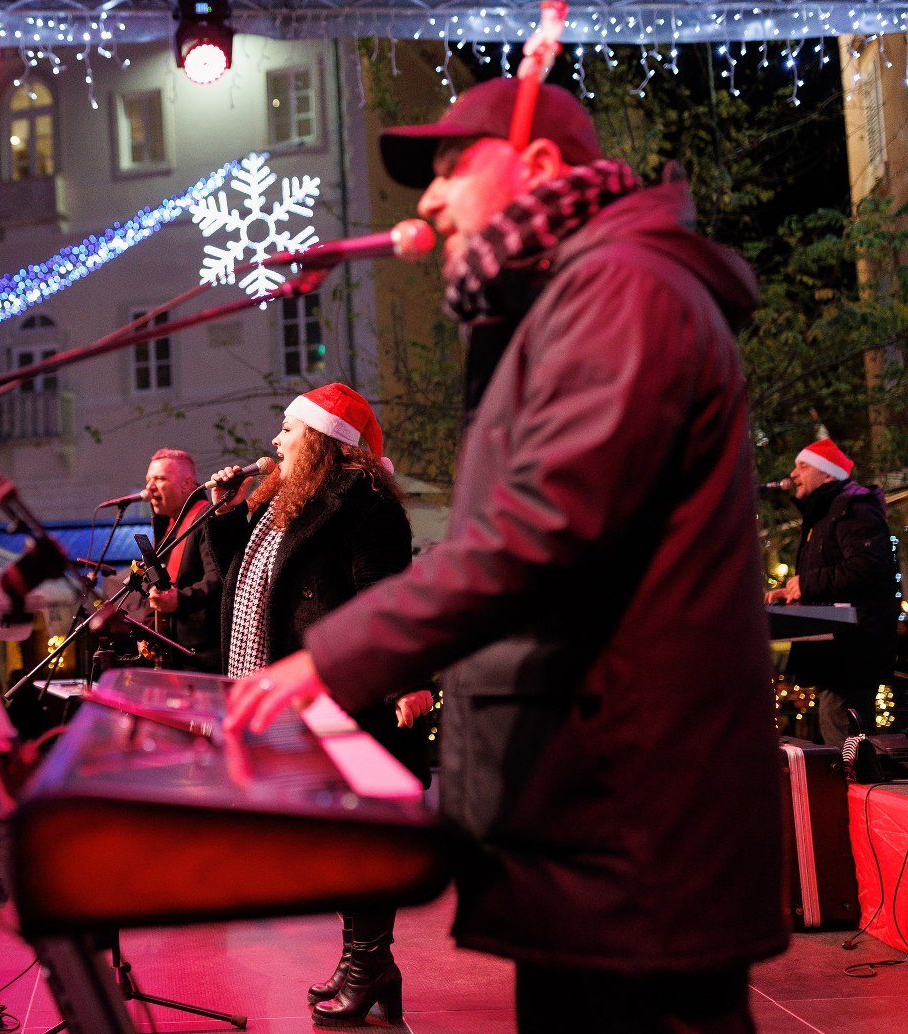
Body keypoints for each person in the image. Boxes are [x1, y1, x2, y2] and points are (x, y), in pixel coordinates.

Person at [226, 78, 788, 1031]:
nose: (430, 198)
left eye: (452, 167)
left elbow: (537, 534)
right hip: (593, 812)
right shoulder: (573, 297)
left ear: (538, 165)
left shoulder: (624, 290)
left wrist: (324, 661)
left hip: (635, 818)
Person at [207, 383, 434, 1027]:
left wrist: (405, 681)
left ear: (320, 439)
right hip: (299, 698)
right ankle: (364, 962)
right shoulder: (287, 505)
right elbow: (241, 586)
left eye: (288, 428)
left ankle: (368, 966)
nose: (275, 440)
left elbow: (384, 601)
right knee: (334, 839)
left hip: (344, 697)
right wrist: (225, 515)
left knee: (356, 836)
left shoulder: (364, 506)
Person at [766, 437, 898, 747]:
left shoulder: (853, 507)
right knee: (839, 736)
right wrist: (796, 591)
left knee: (844, 742)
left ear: (827, 474)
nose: (793, 474)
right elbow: (837, 573)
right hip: (838, 652)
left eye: (803, 466)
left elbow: (867, 566)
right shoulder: (827, 512)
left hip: (852, 651)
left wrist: (807, 583)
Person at [142, 448, 222, 671]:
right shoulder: (169, 526)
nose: (149, 488)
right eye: (148, 480)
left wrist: (181, 599)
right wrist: (147, 630)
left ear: (187, 484)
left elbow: (219, 579)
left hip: (204, 659)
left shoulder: (207, 518)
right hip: (178, 654)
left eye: (160, 479)